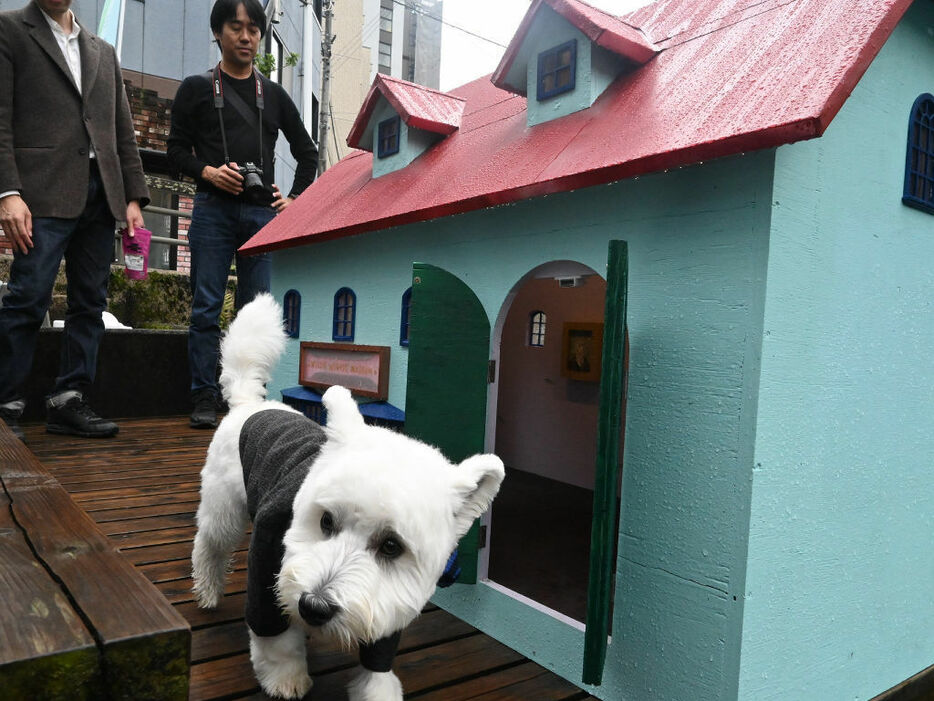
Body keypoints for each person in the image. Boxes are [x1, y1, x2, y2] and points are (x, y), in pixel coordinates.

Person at [0, 0, 149, 441]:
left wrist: (134, 197)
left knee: (90, 304)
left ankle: (69, 401)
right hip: (39, 192)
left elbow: (122, 131)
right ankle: (5, 403)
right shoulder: (10, 30)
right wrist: (8, 192)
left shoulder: (101, 50)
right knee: (28, 297)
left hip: (101, 196)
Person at [167, 0, 317, 430]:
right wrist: (209, 173)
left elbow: (306, 154)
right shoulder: (196, 89)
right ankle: (203, 395)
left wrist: (293, 200)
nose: (246, 36)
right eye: (236, 27)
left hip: (261, 216)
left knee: (256, 313)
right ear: (218, 32)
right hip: (212, 210)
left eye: (254, 28)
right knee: (205, 308)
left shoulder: (272, 94)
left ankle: (248, 399)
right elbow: (174, 151)